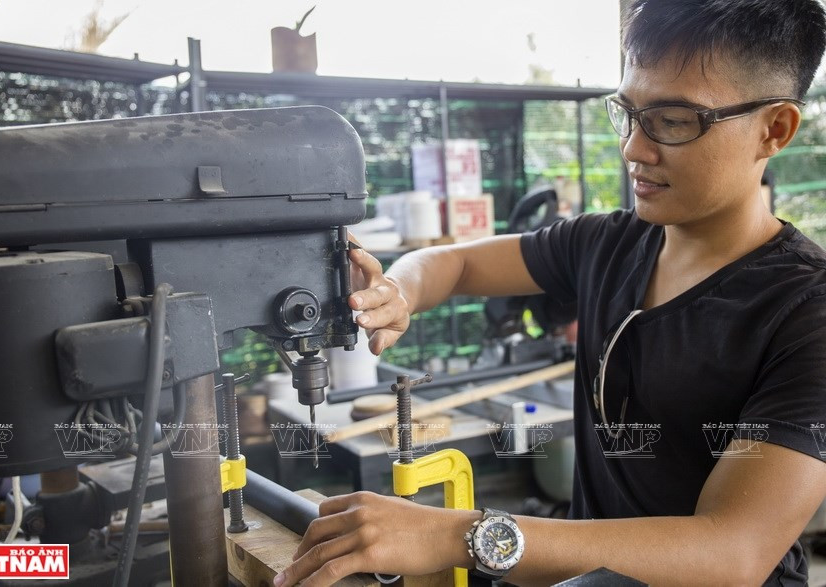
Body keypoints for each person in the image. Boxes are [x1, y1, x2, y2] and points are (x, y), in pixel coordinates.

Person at [276, 0, 826, 584]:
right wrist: (397, 290)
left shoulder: (804, 313)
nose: (634, 150)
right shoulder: (605, 244)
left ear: (775, 130)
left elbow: (732, 551)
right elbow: (456, 264)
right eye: (629, 113)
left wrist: (456, 532)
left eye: (674, 121)